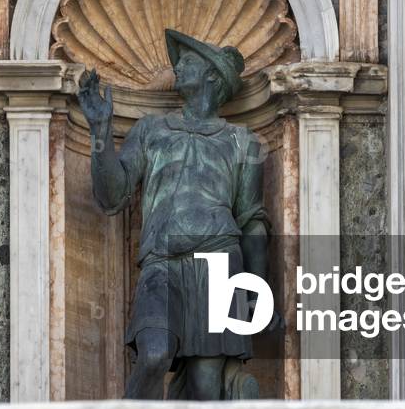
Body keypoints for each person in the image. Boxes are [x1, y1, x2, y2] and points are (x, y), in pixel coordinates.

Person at [76, 29, 277, 400]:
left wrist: (256, 290)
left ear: (212, 75)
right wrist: (100, 131)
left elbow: (252, 221)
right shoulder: (151, 129)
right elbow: (112, 196)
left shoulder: (244, 141)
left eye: (187, 61)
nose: (177, 67)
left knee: (205, 387)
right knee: (153, 354)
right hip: (163, 263)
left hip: (220, 263)